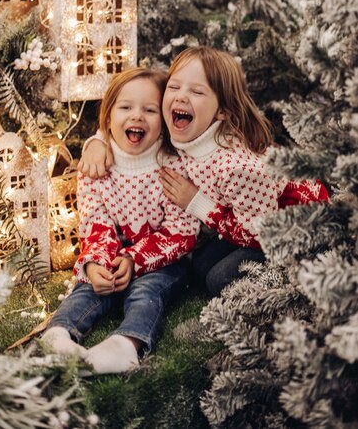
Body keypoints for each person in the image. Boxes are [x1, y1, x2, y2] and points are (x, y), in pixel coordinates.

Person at [80, 47, 328, 297]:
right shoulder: (188, 129)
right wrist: (97, 142)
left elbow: (261, 233)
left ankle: (296, 276)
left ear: (222, 110)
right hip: (244, 217)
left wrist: (197, 202)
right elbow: (133, 116)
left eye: (197, 91)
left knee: (218, 280)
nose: (181, 97)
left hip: (292, 228)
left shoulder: (236, 168)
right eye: (174, 87)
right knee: (199, 267)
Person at [42, 67, 200, 373]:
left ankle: (126, 345)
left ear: (165, 120)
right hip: (112, 255)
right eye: (126, 107)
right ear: (108, 117)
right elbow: (95, 221)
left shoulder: (174, 167)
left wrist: (134, 259)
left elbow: (182, 233)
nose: (137, 116)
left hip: (164, 259)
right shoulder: (97, 165)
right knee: (89, 286)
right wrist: (96, 262)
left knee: (146, 291)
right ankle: (59, 334)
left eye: (150, 110)